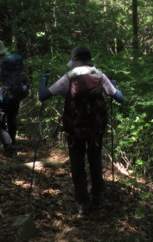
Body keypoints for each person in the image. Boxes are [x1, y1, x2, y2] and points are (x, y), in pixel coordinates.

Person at [39, 45, 124, 215]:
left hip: (75, 128)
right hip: (96, 128)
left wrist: (43, 81)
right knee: (95, 159)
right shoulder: (99, 75)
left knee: (77, 163)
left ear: (75, 61)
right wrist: (112, 85)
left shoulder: (68, 77)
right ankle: (98, 196)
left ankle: (82, 203)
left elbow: (42, 96)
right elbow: (120, 98)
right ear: (89, 59)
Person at [0, 40, 29, 156]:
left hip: (0, 98)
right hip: (15, 96)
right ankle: (13, 143)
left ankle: (9, 147)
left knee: (0, 124)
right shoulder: (15, 63)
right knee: (12, 119)